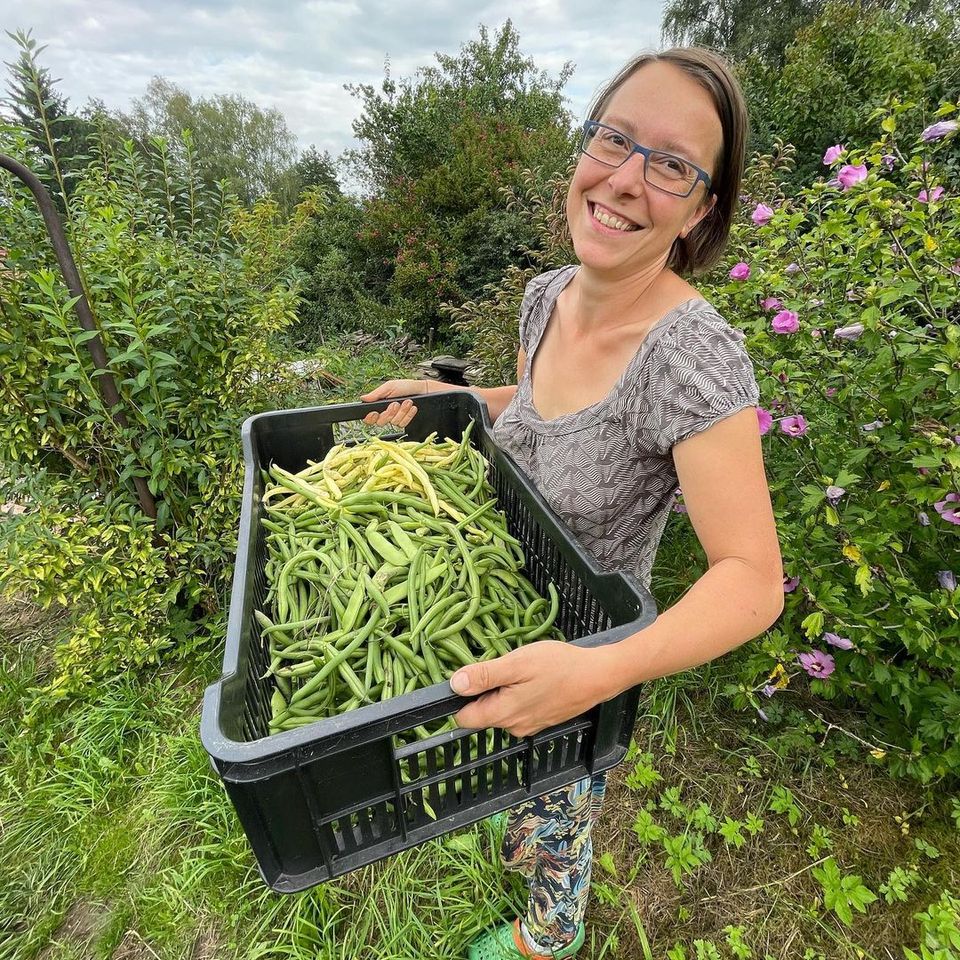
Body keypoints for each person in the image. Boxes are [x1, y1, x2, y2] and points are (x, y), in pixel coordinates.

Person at [359, 47, 783, 960]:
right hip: (500, 578)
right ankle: (524, 839)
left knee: (559, 801)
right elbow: (538, 412)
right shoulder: (545, 297)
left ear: (701, 208)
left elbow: (753, 582)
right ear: (584, 145)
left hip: (585, 639)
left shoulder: (693, 361)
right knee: (511, 771)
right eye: (616, 138)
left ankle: (550, 931)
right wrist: (455, 403)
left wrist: (600, 671)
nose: (627, 179)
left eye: (672, 164)